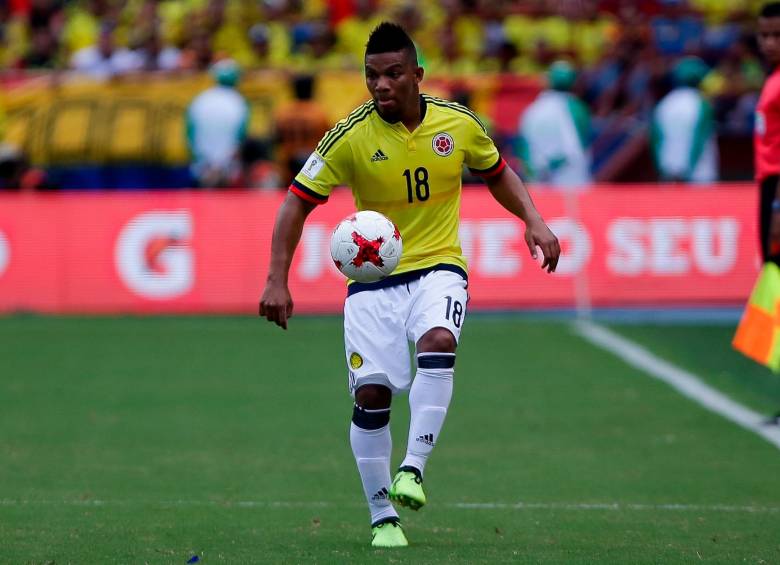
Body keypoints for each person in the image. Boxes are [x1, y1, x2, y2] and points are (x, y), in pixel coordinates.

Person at [258, 22, 560, 548]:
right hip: (372, 287)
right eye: (372, 75)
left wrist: (532, 219)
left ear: (417, 75)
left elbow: (499, 173)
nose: (381, 86)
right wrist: (275, 280)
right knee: (372, 396)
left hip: (439, 267)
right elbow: (295, 203)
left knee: (439, 342)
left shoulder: (458, 123)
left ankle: (413, 469)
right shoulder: (349, 136)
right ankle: (382, 517)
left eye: (394, 74)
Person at [754, 2, 780, 424]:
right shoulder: (772, 79)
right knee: (773, 291)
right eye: (764, 35)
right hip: (769, 187)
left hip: (778, 190)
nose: (769, 44)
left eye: (778, 36)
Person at [517, 60, 593, 188]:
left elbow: (522, 145)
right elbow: (582, 143)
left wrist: (531, 168)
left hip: (540, 176)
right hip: (570, 177)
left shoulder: (533, 110)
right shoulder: (577, 107)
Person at [650, 56, 719, 183]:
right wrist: (688, 170)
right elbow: (699, 138)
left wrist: (663, 169)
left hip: (669, 174)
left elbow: (656, 141)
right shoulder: (701, 104)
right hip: (698, 175)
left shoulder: (664, 104)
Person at [185, 59, 249, 188]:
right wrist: (221, 164)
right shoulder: (239, 102)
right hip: (227, 168)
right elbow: (241, 136)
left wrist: (203, 160)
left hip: (203, 165)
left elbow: (189, 133)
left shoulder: (200, 99)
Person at [272, 74, 331, 187]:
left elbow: (276, 139)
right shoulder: (319, 113)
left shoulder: (283, 112)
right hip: (313, 167)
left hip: (287, 167)